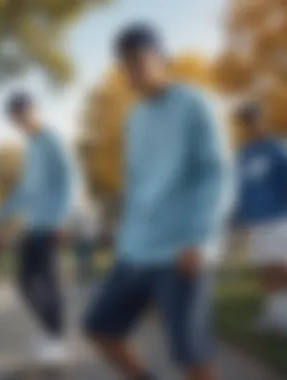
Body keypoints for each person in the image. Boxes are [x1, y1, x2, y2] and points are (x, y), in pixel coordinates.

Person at [83, 24, 232, 380]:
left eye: (140, 59)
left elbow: (216, 173)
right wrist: (125, 238)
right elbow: (135, 185)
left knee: (190, 353)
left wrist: (198, 238)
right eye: (126, 64)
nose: (133, 70)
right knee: (99, 327)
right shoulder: (135, 119)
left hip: (183, 248)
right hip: (138, 250)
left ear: (162, 59)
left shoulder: (196, 103)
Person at [0, 92, 73, 365]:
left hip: (51, 223)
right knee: (25, 281)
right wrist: (0, 213)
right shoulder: (32, 146)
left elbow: (69, 180)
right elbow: (27, 190)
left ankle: (56, 341)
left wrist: (61, 219)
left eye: (24, 114)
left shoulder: (51, 140)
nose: (21, 121)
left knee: (48, 283)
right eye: (16, 117)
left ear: (36, 111)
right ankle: (49, 333)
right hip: (33, 224)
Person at [231, 103, 287, 334]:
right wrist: (238, 219)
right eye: (246, 122)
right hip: (255, 221)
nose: (250, 125)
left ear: (262, 120)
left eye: (253, 120)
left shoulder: (277, 148)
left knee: (281, 266)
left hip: (278, 217)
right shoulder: (243, 154)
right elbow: (240, 190)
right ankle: (274, 315)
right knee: (265, 268)